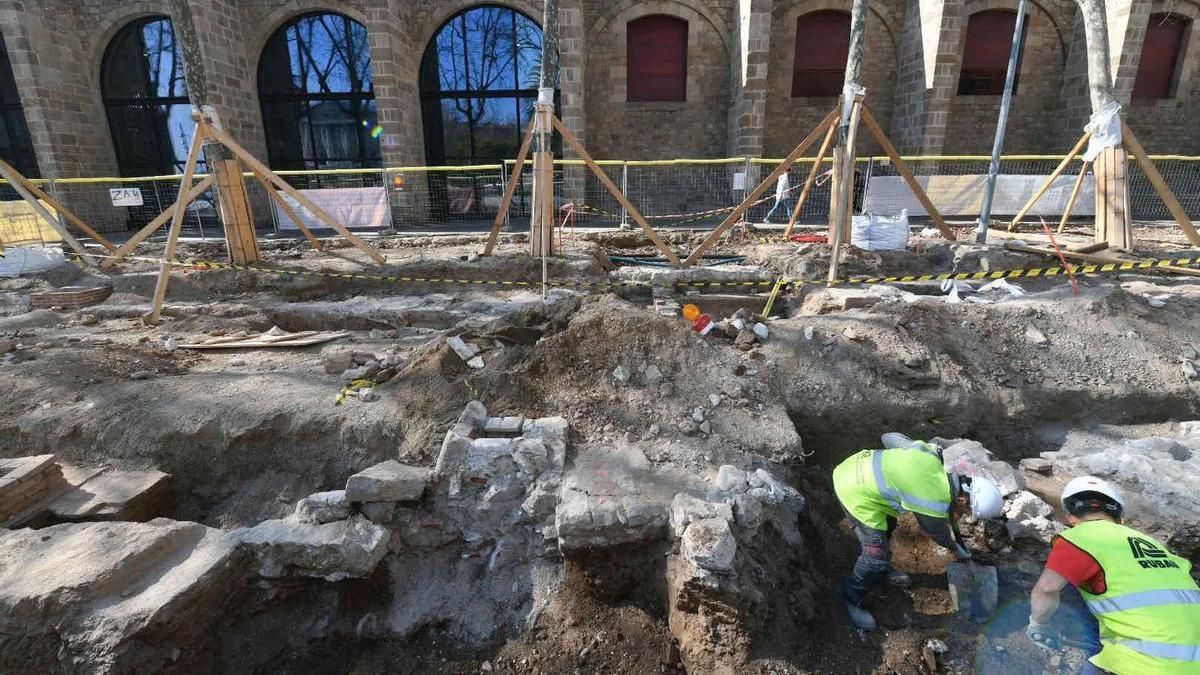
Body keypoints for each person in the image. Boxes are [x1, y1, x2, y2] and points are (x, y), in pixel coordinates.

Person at [1027, 476, 1200, 675]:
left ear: (1070, 518)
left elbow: (1047, 588)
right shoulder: (1151, 544)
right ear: (1120, 519)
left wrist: (1039, 624)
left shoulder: (1080, 538)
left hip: (1150, 663)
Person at [832, 433, 1005, 630]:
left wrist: (900, 467)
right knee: (875, 558)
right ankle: (851, 598)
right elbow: (938, 533)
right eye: (967, 512)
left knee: (888, 524)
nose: (965, 516)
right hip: (852, 491)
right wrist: (956, 549)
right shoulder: (934, 502)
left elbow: (888, 437)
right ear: (963, 500)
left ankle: (884, 569)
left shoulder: (930, 455)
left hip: (855, 465)